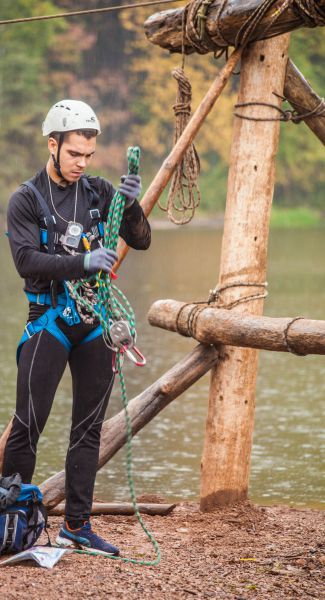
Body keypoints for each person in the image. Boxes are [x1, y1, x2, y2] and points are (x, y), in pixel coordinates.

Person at [3, 99, 151, 555]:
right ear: (53, 145)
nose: (81, 163)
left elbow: (141, 239)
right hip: (48, 321)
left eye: (88, 155)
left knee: (88, 429)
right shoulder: (25, 199)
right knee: (28, 423)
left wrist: (128, 204)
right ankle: (10, 520)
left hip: (94, 324)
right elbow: (26, 260)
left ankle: (77, 526)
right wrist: (82, 260)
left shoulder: (98, 192)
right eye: (73, 154)